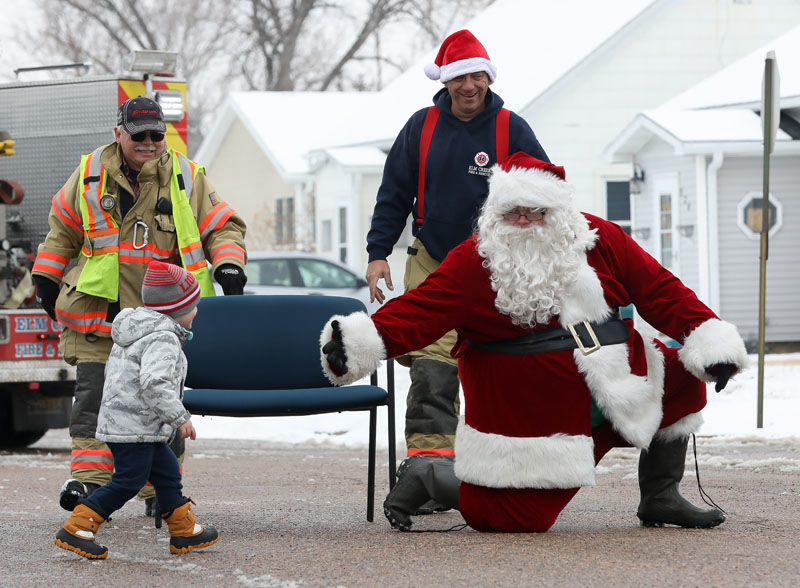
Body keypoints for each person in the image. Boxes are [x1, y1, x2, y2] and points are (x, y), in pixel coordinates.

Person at [321, 152, 749, 533]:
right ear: (495, 215)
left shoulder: (599, 239)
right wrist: (360, 341)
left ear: (560, 214)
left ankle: (661, 496)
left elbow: (660, 289)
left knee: (680, 374)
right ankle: (431, 474)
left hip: (614, 383)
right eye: (513, 213)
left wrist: (709, 337)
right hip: (531, 415)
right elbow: (421, 310)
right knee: (508, 519)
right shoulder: (475, 260)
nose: (524, 222)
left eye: (537, 212)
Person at [31, 96, 247, 514]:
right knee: (94, 399)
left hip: (161, 322)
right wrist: (46, 277)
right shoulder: (90, 174)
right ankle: (89, 485)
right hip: (101, 316)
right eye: (139, 136)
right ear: (118, 135)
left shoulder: (186, 175)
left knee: (160, 399)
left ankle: (160, 492)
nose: (149, 143)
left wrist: (229, 266)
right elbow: (62, 229)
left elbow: (223, 226)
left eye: (156, 136)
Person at [365, 30, 549, 511]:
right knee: (433, 368)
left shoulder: (512, 129)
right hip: (434, 263)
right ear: (445, 82)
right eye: (460, 77)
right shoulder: (421, 128)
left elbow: (548, 197)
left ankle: (510, 471)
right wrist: (378, 251)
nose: (470, 86)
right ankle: (430, 473)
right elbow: (394, 194)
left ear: (489, 77)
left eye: (478, 76)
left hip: (499, 267)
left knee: (502, 367)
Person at [55, 261, 219, 559]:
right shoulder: (163, 338)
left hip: (136, 425)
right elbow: (154, 384)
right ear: (177, 308)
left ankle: (183, 531)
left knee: (168, 474)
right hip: (134, 428)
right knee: (128, 482)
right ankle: (77, 527)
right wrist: (179, 418)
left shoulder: (138, 330)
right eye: (193, 305)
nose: (196, 311)